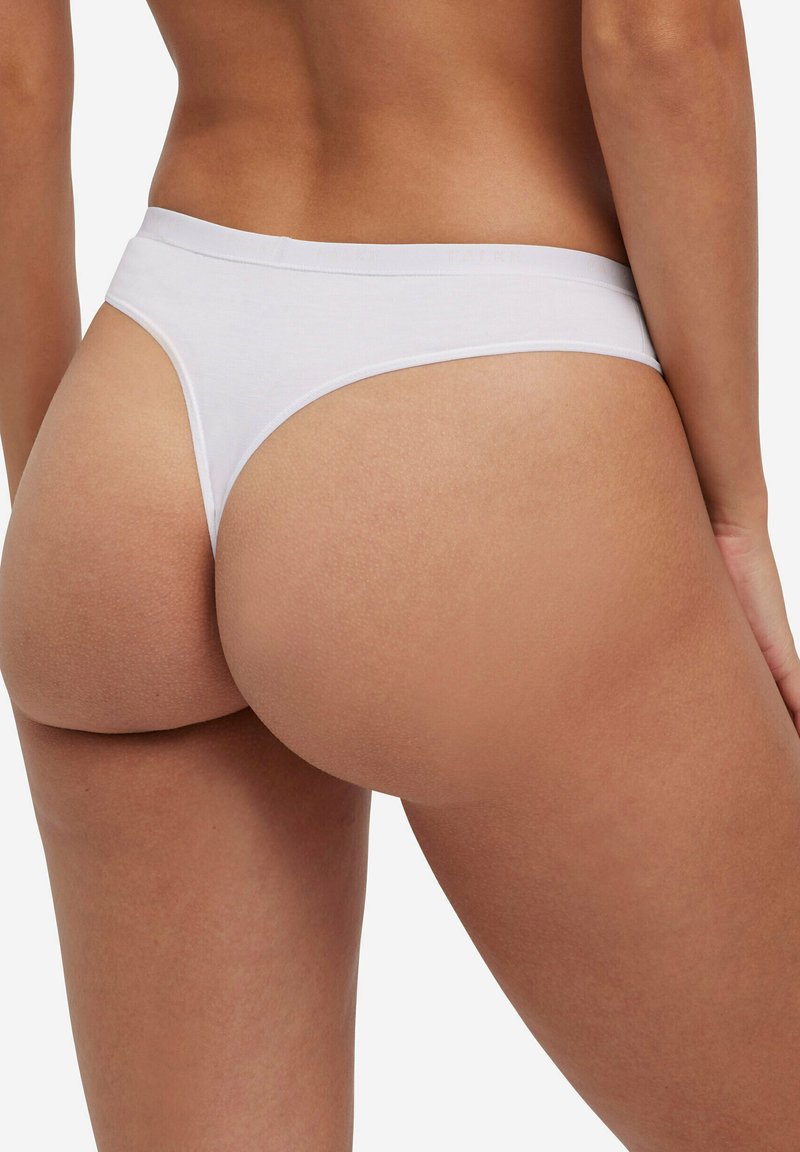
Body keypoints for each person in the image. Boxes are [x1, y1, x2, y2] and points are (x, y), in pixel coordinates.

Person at [0, 0, 798, 1148]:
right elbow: (659, 40)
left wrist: (64, 513)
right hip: (482, 359)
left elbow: (15, 80)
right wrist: (735, 505)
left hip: (137, 402)